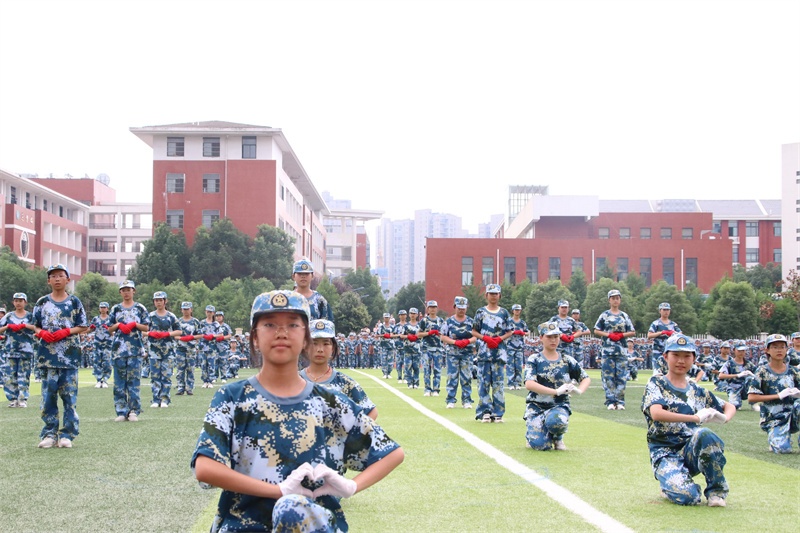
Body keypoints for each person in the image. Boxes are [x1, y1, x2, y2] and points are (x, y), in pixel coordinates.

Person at [192, 290, 403, 532]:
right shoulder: (232, 397)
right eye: (269, 324)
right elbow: (206, 467)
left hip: (312, 525)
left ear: (305, 339)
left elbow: (391, 453)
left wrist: (351, 486)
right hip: (243, 524)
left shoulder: (330, 402)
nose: (281, 333)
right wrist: (278, 491)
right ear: (255, 338)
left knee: (292, 509)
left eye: (293, 325)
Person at [641, 334, 736, 507]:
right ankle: (671, 485)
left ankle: (716, 492)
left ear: (693, 359)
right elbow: (656, 413)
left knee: (705, 434)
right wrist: (695, 418)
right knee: (688, 497)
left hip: (690, 449)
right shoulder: (657, 383)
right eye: (676, 355)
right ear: (665, 357)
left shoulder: (696, 390)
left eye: (686, 356)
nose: (681, 361)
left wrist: (724, 419)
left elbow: (729, 406)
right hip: (665, 452)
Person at [31, 265, 89, 448]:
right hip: (48, 357)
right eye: (53, 276)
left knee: (69, 397)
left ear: (67, 280)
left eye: (60, 276)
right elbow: (34, 325)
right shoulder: (42, 302)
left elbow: (83, 326)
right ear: (48, 281)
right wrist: (41, 333)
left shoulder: (74, 302)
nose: (57, 279)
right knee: (48, 397)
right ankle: (49, 433)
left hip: (69, 357)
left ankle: (67, 434)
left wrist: (67, 331)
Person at [523, 321, 590, 450]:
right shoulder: (534, 359)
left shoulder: (567, 360)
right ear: (541, 338)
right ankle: (534, 433)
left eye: (556, 337)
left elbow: (585, 378)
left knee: (556, 421)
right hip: (537, 406)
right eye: (549, 337)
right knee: (541, 445)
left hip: (558, 405)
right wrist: (556, 391)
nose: (553, 340)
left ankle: (557, 437)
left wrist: (579, 390)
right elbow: (529, 384)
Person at [301, 319, 378, 420]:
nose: (320, 349)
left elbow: (371, 412)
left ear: (333, 347)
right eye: (314, 343)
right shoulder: (294, 380)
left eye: (326, 344)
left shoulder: (344, 382)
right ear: (305, 346)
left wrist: (355, 430)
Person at [747, 334, 800, 453]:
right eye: (775, 347)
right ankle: (779, 438)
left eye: (782, 347)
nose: (779, 350)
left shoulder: (794, 371)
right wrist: (778, 396)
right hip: (774, 417)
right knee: (783, 450)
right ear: (767, 350)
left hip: (793, 413)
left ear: (787, 350)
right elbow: (751, 397)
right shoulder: (762, 371)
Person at [108, 280, 151, 422]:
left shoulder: (140, 308)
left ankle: (133, 410)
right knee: (119, 383)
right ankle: (121, 411)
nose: (126, 292)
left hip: (135, 349)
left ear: (134, 291)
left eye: (129, 289)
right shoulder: (116, 309)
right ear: (120, 292)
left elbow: (146, 327)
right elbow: (109, 328)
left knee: (133, 382)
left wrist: (134, 324)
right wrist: (118, 325)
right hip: (119, 350)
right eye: (123, 290)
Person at [471, 284, 513, 423]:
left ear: (500, 295)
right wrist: (485, 338)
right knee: (483, 383)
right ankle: (485, 411)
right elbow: (474, 331)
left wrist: (499, 339)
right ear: (486, 295)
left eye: (496, 294)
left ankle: (498, 412)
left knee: (498, 384)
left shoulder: (504, 313)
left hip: (499, 353)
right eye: (491, 293)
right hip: (484, 353)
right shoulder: (481, 312)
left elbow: (510, 331)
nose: (493, 296)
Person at [594, 289, 635, 410]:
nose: (615, 300)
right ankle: (610, 401)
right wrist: (608, 335)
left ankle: (620, 401)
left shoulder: (624, 316)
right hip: (608, 350)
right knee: (608, 376)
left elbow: (632, 331)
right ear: (609, 300)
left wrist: (622, 335)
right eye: (613, 298)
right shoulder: (604, 315)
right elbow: (596, 330)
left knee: (621, 376)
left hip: (621, 350)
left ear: (620, 300)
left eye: (617, 298)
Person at [147, 291, 181, 408]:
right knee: (155, 376)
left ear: (165, 301)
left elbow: (179, 331)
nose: (158, 302)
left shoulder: (171, 316)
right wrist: (150, 333)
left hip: (168, 350)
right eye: (156, 300)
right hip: (154, 350)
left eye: (161, 300)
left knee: (166, 375)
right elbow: (142, 330)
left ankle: (165, 399)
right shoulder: (150, 316)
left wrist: (167, 334)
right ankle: (156, 399)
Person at [1, 292, 35, 407]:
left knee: (24, 375)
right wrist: (7, 327)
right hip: (10, 350)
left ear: (25, 302)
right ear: (13, 302)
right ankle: (13, 399)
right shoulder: (9, 316)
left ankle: (22, 399)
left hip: (26, 350)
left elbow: (37, 328)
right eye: (16, 301)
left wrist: (25, 326)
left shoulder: (30, 316)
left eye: (20, 301)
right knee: (10, 376)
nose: (18, 303)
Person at [441, 296, 475, 409]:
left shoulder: (471, 322)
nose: (461, 310)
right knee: (452, 377)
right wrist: (454, 342)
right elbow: (443, 336)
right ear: (454, 307)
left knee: (466, 377)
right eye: (459, 308)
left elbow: (477, 336)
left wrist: (467, 341)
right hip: (452, 353)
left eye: (463, 308)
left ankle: (467, 400)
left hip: (467, 353)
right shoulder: (449, 321)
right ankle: (450, 400)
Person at [718, 341, 757, 410]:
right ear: (734, 350)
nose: (741, 353)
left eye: (743, 351)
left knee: (750, 379)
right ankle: (737, 401)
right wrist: (737, 375)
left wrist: (752, 374)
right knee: (735, 405)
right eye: (739, 351)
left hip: (746, 388)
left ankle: (754, 403)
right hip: (734, 388)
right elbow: (721, 376)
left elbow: (758, 375)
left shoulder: (748, 364)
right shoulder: (729, 363)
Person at [418, 300, 445, 397]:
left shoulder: (441, 321)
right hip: (426, 348)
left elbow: (445, 334)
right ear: (428, 309)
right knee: (426, 369)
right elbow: (418, 334)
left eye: (434, 307)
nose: (433, 309)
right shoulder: (424, 321)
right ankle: (427, 388)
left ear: (437, 309)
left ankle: (436, 389)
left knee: (437, 369)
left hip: (438, 348)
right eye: (431, 307)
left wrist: (439, 334)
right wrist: (428, 333)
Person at [175, 302, 202, 396]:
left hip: (191, 348)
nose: (186, 311)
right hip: (180, 348)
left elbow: (200, 334)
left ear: (191, 310)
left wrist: (192, 337)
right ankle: (180, 387)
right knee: (180, 369)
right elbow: (174, 334)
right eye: (184, 309)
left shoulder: (195, 322)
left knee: (190, 369)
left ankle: (189, 388)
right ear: (181, 310)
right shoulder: (178, 321)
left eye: (187, 309)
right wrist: (181, 338)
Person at [646, 302, 681, 372]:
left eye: (668, 310)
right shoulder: (656, 323)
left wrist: (673, 333)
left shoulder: (673, 324)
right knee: (657, 372)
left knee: (670, 371)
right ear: (660, 311)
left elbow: (680, 334)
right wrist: (661, 332)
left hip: (669, 350)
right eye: (664, 310)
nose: (666, 312)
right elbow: (649, 335)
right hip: (658, 351)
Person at [89, 302, 113, 388]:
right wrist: (91, 328)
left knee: (107, 363)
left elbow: (114, 332)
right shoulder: (95, 319)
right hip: (97, 344)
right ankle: (98, 380)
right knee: (96, 362)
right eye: (101, 307)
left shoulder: (111, 319)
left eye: (104, 307)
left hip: (108, 344)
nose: (103, 309)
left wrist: (109, 329)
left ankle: (105, 380)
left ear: (107, 309)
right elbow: (89, 330)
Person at [506, 304, 528, 390]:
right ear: (513, 311)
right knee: (510, 366)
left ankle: (518, 383)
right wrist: (513, 332)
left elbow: (527, 332)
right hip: (510, 346)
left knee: (518, 366)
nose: (517, 311)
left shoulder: (522, 323)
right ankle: (511, 383)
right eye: (516, 310)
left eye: (518, 310)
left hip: (519, 347)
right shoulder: (509, 321)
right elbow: (505, 332)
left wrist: (523, 333)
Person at [198, 305, 221, 388]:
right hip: (203, 347)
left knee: (211, 364)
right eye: (208, 312)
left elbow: (221, 334)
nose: (209, 313)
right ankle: (205, 381)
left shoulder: (216, 324)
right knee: (203, 364)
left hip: (212, 347)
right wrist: (203, 336)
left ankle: (210, 381)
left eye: (210, 312)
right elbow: (198, 334)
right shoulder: (202, 323)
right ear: (205, 312)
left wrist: (213, 336)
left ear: (213, 313)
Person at [214, 311, 233, 381]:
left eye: (220, 316)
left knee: (223, 362)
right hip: (214, 346)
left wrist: (222, 338)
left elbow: (229, 335)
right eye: (217, 316)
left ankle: (224, 377)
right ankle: (214, 377)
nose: (218, 317)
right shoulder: (213, 325)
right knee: (214, 362)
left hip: (223, 346)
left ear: (223, 317)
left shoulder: (226, 326)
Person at [376, 313, 395, 379]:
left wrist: (390, 335)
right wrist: (384, 335)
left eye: (388, 317)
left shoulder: (392, 326)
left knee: (390, 360)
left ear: (389, 318)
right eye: (385, 317)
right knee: (384, 359)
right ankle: (384, 373)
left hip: (391, 345)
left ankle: (389, 373)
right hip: (383, 345)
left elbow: (395, 334)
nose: (386, 319)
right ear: (383, 318)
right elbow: (377, 335)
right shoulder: (381, 326)